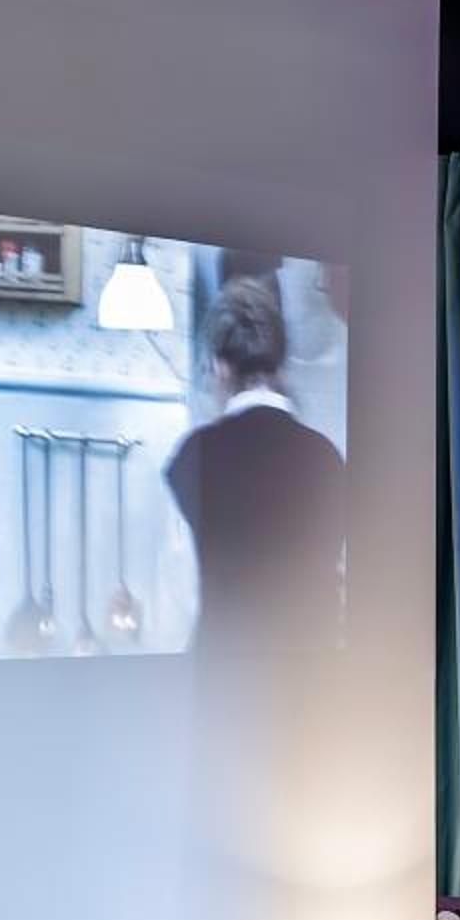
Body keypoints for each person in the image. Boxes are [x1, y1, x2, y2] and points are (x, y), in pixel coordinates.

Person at [164, 274, 345, 655]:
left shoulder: (192, 456)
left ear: (219, 366)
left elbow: (178, 597)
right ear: (282, 365)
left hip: (227, 673)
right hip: (314, 676)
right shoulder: (327, 457)